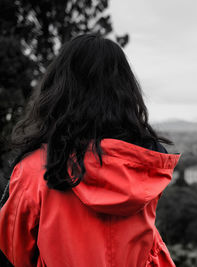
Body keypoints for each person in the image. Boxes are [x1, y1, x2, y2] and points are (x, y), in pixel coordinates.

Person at [0, 33, 180, 267]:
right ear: (126, 92)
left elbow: (14, 251)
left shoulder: (34, 169)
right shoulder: (145, 165)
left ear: (59, 89)